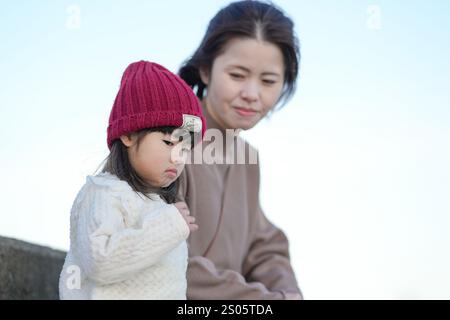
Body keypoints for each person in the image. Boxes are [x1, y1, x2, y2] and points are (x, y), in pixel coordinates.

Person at [177, 0, 303, 299]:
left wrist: (289, 293)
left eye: (269, 81)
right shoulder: (169, 137)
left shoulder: (246, 157)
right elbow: (162, 261)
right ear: (206, 70)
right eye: (237, 75)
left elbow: (265, 247)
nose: (251, 94)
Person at [59, 60, 206, 299]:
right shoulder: (103, 193)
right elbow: (100, 261)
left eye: (186, 147)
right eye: (169, 142)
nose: (179, 157)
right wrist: (168, 227)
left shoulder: (157, 205)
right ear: (128, 134)